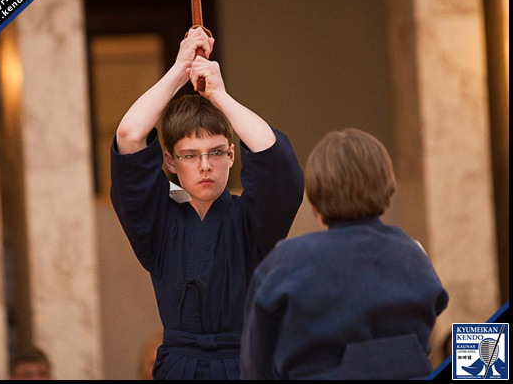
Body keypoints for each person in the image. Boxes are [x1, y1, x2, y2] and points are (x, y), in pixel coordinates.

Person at [110, 27, 304, 380]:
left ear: (231, 156)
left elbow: (272, 155)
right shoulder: (159, 224)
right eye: (190, 155)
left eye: (216, 152)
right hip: (180, 367)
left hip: (245, 364)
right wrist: (180, 69)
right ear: (169, 162)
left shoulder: (251, 221)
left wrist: (220, 96)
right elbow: (129, 136)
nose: (204, 166)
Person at [240, 128, 449, 380]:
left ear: (315, 199)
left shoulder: (286, 262)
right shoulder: (412, 253)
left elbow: (256, 362)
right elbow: (433, 311)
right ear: (387, 187)